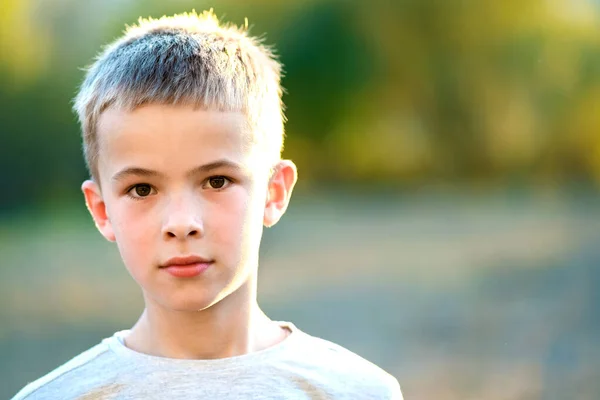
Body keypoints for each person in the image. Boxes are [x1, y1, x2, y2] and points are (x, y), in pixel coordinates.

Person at [12, 10, 402, 399]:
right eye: (143, 189)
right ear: (101, 210)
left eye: (217, 181)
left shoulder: (359, 391)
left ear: (274, 192)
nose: (182, 224)